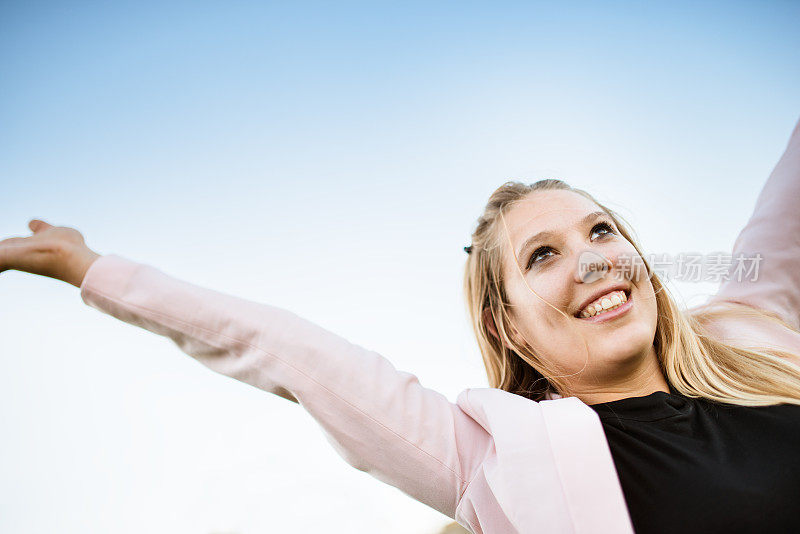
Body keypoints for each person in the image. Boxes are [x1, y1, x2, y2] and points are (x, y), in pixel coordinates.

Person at [2, 116, 799, 534]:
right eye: (543, 256)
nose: (592, 261)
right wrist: (89, 268)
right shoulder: (498, 460)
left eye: (601, 232)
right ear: (510, 329)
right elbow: (290, 351)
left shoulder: (751, 330)